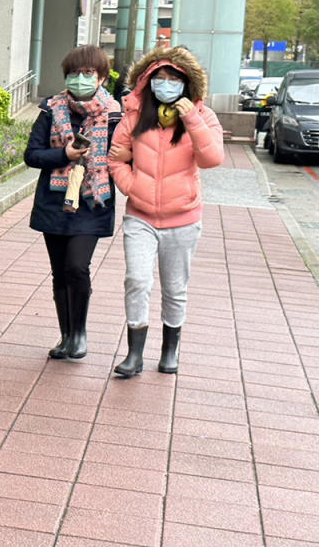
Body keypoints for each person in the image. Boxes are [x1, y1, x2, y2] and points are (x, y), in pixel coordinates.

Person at [108, 46, 224, 377]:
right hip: (140, 216)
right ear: (147, 81)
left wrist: (191, 117)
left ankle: (170, 351)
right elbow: (117, 157)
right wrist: (131, 186)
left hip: (183, 219)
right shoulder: (135, 115)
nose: (165, 84)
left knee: (174, 288)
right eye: (158, 78)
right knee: (137, 279)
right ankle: (134, 354)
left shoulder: (204, 116)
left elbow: (212, 159)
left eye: (173, 78)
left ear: (187, 84)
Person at [24, 45, 122, 360]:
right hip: (55, 201)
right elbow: (32, 155)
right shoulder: (50, 109)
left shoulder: (114, 115)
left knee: (77, 266)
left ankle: (79, 335)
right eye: (74, 74)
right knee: (59, 271)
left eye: (88, 74)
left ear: (102, 78)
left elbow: (124, 157)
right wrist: (63, 155)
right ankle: (65, 336)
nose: (80, 80)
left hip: (93, 201)